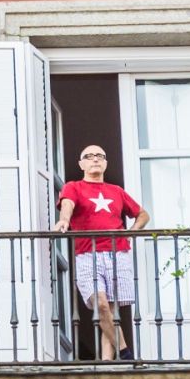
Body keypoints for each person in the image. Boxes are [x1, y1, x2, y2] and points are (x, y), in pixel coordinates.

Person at [51, 145, 150, 361]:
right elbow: (67, 205)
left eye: (99, 156)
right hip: (89, 253)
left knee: (111, 312)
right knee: (101, 304)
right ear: (81, 164)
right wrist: (64, 220)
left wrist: (131, 233)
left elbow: (142, 214)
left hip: (118, 253)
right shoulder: (73, 187)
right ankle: (126, 354)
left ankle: (108, 363)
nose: (95, 159)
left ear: (105, 163)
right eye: (89, 156)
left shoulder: (117, 191)